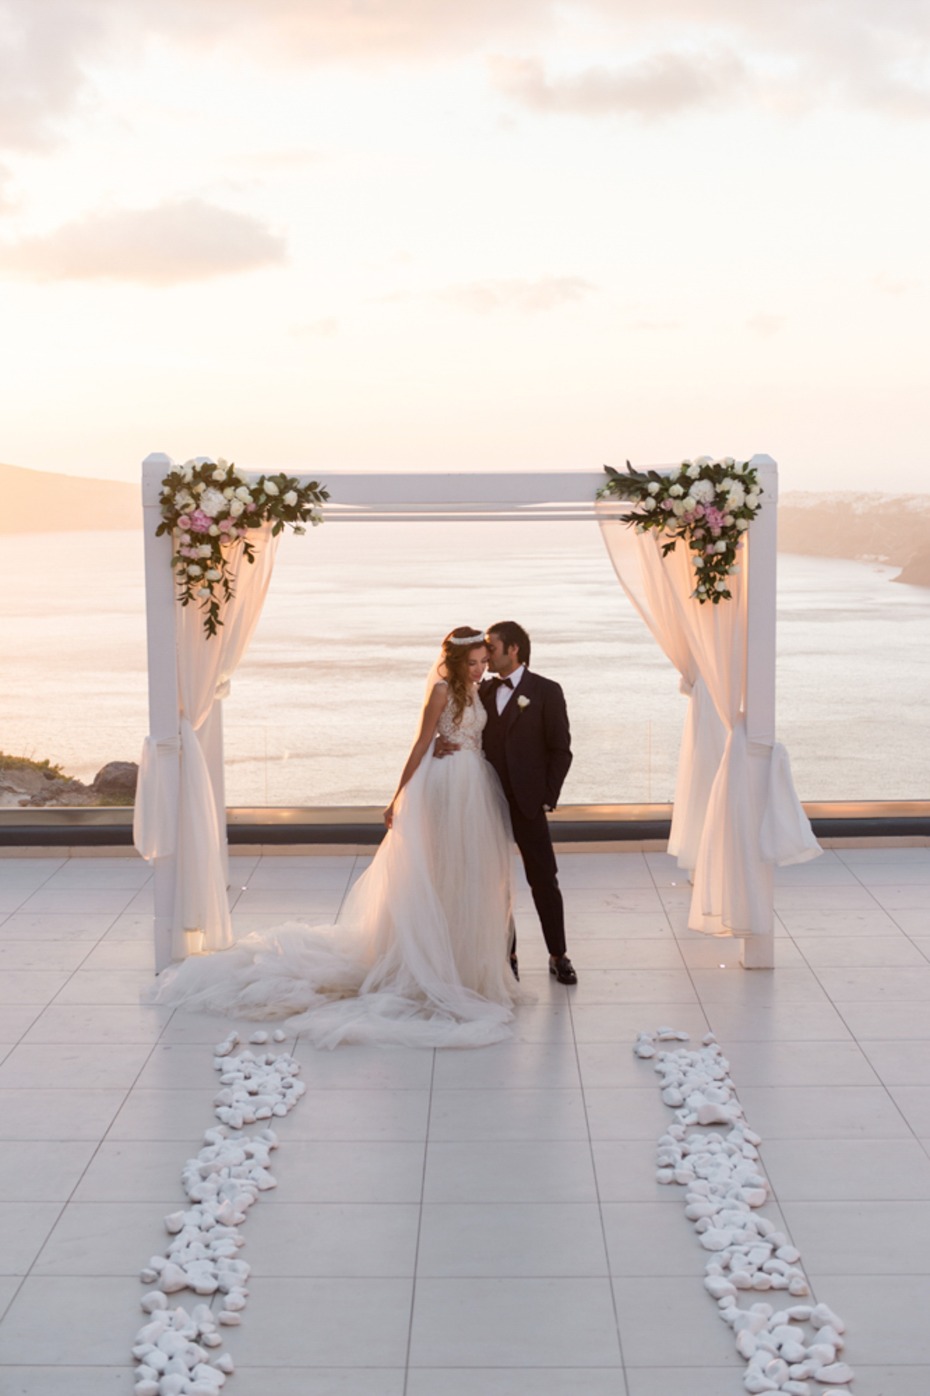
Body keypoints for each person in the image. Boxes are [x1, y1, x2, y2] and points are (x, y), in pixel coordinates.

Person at [150, 627, 522, 1048]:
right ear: (455, 663)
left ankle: (469, 964)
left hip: (474, 783)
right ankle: (429, 965)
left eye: (483, 662)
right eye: (472, 663)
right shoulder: (440, 691)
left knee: (468, 875)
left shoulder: (478, 690)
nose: (480, 669)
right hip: (447, 786)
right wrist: (398, 796)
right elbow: (420, 744)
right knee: (439, 872)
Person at [444, 621, 576, 985]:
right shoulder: (478, 690)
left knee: (543, 878)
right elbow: (453, 721)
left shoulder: (547, 691)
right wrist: (440, 744)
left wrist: (547, 798)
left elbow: (560, 750)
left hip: (529, 802)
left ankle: (558, 954)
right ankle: (508, 954)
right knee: (494, 881)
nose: (486, 654)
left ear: (513, 649)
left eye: (492, 647)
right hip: (483, 799)